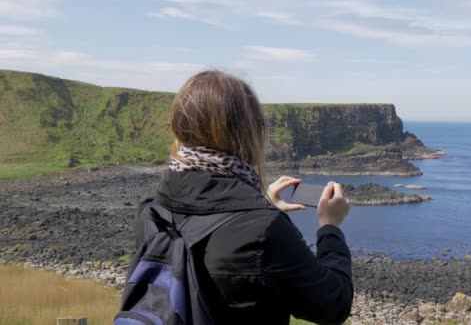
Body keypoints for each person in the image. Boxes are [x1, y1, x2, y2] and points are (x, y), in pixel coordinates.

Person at [136, 70, 353, 324]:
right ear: (250, 132)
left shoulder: (151, 211)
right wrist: (329, 227)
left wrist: (261, 205)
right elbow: (333, 304)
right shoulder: (264, 230)